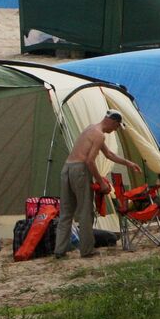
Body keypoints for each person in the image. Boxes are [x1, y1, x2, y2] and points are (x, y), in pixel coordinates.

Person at [55, 111, 142, 259]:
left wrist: (129, 163)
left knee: (66, 212)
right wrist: (101, 182)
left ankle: (59, 251)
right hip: (80, 170)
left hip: (67, 169)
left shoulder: (91, 129)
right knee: (85, 211)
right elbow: (89, 161)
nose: (114, 130)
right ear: (113, 121)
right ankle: (87, 250)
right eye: (116, 127)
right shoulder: (99, 135)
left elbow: (110, 155)